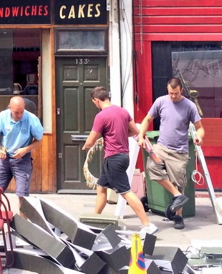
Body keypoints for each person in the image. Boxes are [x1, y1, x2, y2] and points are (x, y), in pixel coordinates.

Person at [82, 86, 158, 236]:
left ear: (97, 100)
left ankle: (147, 225)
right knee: (101, 187)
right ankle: (94, 220)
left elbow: (91, 140)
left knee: (126, 192)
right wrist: (119, 134)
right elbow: (135, 131)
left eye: (94, 103)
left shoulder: (101, 116)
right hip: (123, 157)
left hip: (113, 158)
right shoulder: (123, 111)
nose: (95, 105)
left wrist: (86, 146)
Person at [138, 77, 205, 230]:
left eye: (175, 93)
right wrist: (141, 136)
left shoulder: (189, 106)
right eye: (170, 93)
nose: (173, 96)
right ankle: (177, 195)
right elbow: (147, 119)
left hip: (179, 151)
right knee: (152, 168)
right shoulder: (161, 101)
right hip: (161, 147)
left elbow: (200, 128)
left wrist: (199, 137)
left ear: (181, 90)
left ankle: (178, 216)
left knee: (179, 183)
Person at [0, 96, 44, 215]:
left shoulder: (31, 119)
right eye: (16, 112)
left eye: (21, 111)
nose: (19, 115)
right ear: (10, 108)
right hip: (4, 158)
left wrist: (25, 149)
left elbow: (39, 140)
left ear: (24, 108)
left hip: (22, 159)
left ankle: (23, 229)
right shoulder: (2, 117)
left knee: (22, 195)